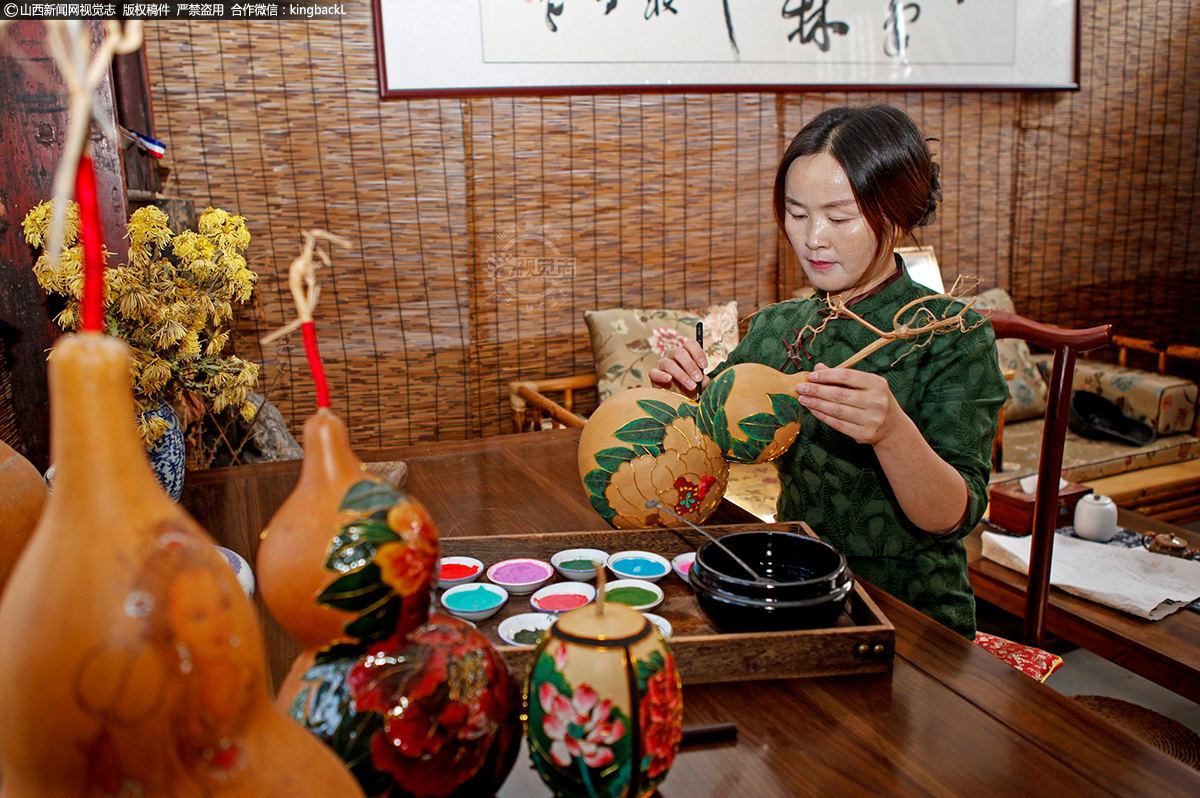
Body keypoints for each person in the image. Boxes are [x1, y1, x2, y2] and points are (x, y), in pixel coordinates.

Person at [649, 104, 1008, 638]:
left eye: (839, 217)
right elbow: (718, 449)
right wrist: (687, 397)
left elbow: (952, 516)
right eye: (797, 214)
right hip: (797, 594)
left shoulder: (950, 336)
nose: (814, 237)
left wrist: (892, 433)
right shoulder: (778, 329)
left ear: (899, 213)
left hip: (913, 617)